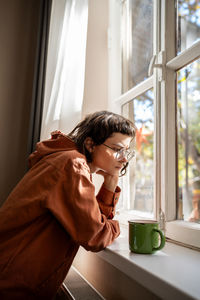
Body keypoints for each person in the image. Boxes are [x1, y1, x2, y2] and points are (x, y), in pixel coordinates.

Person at [0, 110, 136, 299]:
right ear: (90, 144)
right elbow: (95, 235)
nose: (124, 158)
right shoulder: (72, 164)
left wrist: (110, 185)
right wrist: (116, 227)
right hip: (12, 286)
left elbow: (91, 220)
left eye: (126, 151)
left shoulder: (66, 160)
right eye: (116, 149)